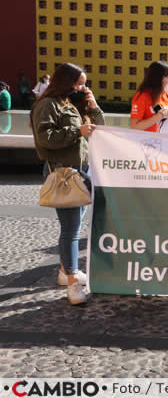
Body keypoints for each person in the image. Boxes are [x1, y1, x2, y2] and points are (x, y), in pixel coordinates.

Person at [30, 62, 104, 305]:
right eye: (80, 83)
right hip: (63, 173)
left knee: (76, 224)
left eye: (84, 83)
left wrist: (93, 107)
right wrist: (77, 132)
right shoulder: (47, 104)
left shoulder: (70, 103)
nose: (84, 87)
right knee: (71, 230)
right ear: (66, 82)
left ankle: (65, 271)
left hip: (80, 172)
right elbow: (45, 138)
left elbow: (100, 128)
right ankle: (72, 282)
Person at [130, 61, 168, 132]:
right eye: (166, 76)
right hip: (145, 141)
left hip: (164, 140)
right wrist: (159, 116)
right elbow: (135, 126)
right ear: (156, 78)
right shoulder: (142, 96)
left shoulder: (167, 96)